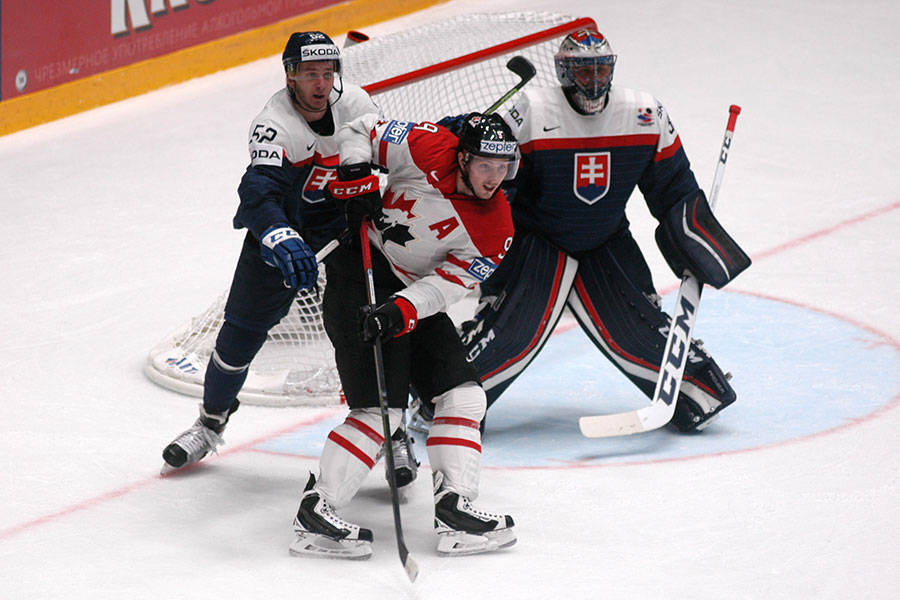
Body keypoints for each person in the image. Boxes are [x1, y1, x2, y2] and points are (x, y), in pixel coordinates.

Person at [417, 28, 750, 434]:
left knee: (641, 332)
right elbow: (489, 183)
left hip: (605, 240)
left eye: (599, 69)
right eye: (583, 71)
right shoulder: (530, 112)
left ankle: (697, 390)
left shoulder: (645, 113)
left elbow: (674, 188)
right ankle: (447, 398)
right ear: (563, 72)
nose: (593, 80)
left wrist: (697, 237)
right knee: (509, 340)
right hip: (537, 245)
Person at [160, 32, 418, 484]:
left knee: (378, 326)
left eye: (328, 73)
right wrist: (279, 237)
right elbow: (258, 192)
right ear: (290, 76)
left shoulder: (356, 104)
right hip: (289, 233)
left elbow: (388, 156)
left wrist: (364, 190)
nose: (321, 84)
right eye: (310, 74)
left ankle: (393, 433)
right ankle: (210, 422)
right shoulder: (273, 123)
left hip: (348, 231)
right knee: (240, 332)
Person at [287, 113, 518, 559]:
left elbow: (447, 284)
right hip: (360, 269)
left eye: (504, 165)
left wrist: (402, 310)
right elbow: (359, 131)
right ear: (464, 157)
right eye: (486, 165)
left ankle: (454, 509)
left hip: (410, 293)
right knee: (381, 412)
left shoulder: (496, 229)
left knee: (465, 396)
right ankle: (315, 512)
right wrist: (355, 171)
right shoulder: (427, 145)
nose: (496, 177)